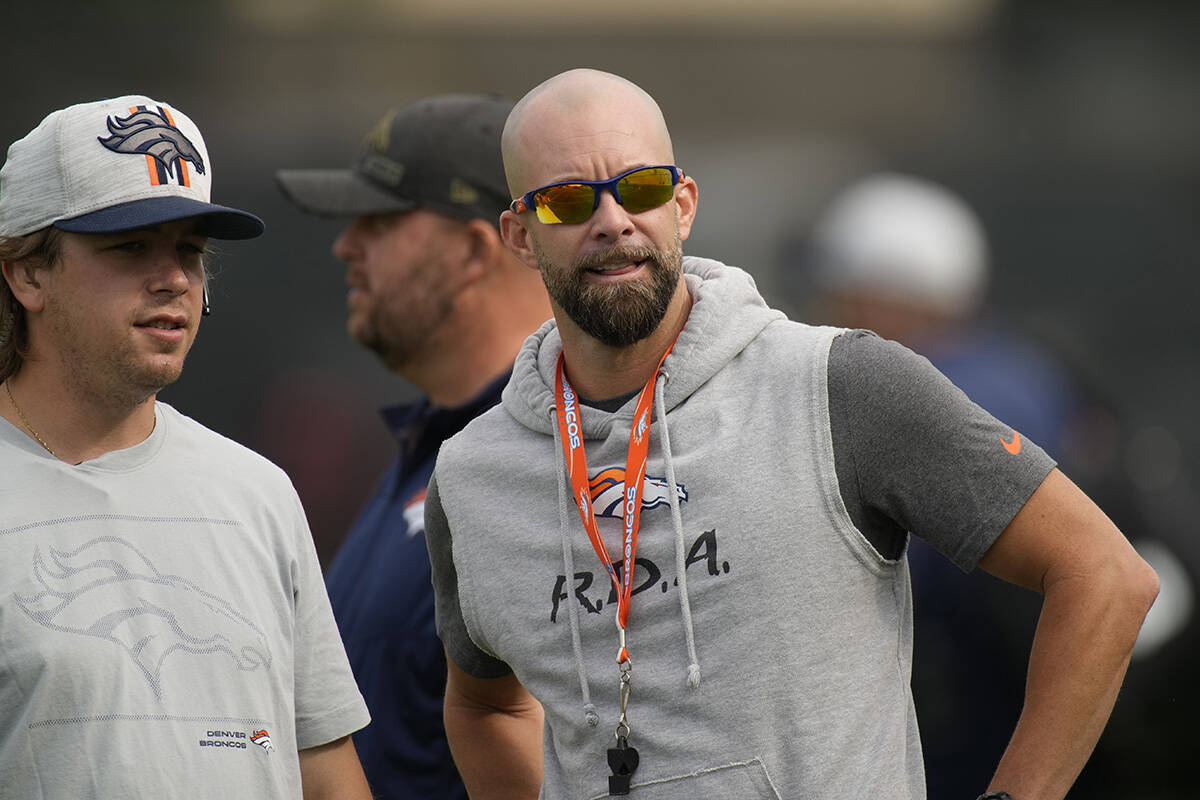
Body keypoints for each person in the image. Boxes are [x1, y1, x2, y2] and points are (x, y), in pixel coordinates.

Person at [422, 69, 1160, 800]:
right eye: (568, 200)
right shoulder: (471, 475)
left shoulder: (841, 382)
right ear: (520, 236)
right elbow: (485, 705)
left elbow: (1105, 576)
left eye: (640, 188)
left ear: (682, 205)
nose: (613, 220)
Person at [0, 95, 371, 798]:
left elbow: (325, 773)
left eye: (190, 251)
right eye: (129, 246)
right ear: (28, 273)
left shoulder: (259, 493)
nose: (173, 278)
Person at [804, 172, 1198, 799]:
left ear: (889, 294)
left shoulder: (932, 395)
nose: (830, 308)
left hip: (984, 718)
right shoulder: (1029, 366)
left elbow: (897, 573)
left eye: (844, 289)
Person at [275, 93, 552, 800]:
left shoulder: (553, 463)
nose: (346, 246)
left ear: (473, 250)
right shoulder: (432, 446)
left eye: (380, 221)